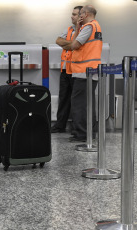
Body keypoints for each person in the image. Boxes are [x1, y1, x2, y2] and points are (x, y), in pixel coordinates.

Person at [69, 5, 102, 142]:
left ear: (86, 14)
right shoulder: (95, 26)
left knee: (80, 104)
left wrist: (77, 27)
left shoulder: (89, 27)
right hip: (89, 71)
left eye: (80, 14)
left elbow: (74, 45)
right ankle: (87, 132)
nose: (78, 16)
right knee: (87, 103)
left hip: (84, 71)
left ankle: (82, 134)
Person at [51, 6, 83, 133]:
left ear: (81, 16)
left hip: (76, 71)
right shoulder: (69, 29)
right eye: (72, 14)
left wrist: (69, 44)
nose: (72, 16)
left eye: (74, 14)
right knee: (63, 98)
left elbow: (77, 45)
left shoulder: (85, 30)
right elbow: (58, 40)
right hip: (65, 70)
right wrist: (71, 45)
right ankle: (60, 126)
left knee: (76, 101)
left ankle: (77, 129)